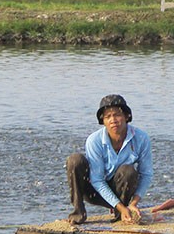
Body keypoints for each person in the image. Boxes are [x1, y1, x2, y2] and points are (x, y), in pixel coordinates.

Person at [66, 94, 153, 225]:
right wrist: (120, 206)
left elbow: (146, 174)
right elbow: (97, 180)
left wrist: (134, 203)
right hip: (93, 191)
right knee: (74, 160)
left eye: (117, 115)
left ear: (126, 116)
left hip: (121, 190)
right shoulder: (94, 140)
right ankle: (78, 214)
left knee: (128, 170)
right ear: (103, 121)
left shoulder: (141, 138)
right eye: (108, 116)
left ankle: (122, 214)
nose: (113, 120)